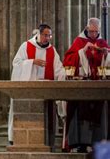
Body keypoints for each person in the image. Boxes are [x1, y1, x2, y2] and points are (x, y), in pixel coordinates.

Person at [8, 24, 66, 143]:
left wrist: (65, 75)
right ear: (38, 34)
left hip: (46, 91)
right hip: (29, 90)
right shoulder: (26, 46)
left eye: (49, 35)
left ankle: (47, 141)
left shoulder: (51, 50)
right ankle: (20, 139)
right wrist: (32, 62)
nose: (48, 38)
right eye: (45, 35)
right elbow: (16, 63)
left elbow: (59, 69)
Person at [62, 17, 110, 151]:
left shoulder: (102, 42)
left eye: (96, 32)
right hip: (82, 85)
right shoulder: (79, 41)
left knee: (100, 111)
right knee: (81, 112)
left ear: (99, 30)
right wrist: (82, 51)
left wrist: (106, 55)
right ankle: (81, 143)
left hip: (99, 86)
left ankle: (98, 141)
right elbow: (68, 60)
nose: (93, 34)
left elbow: (107, 64)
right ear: (87, 28)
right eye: (91, 31)